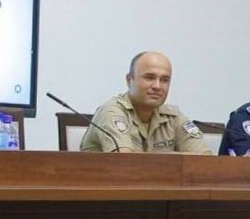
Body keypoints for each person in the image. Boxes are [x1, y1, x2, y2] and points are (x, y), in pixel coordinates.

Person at [80, 51, 212, 154]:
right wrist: (176, 157)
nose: (157, 86)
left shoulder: (174, 117)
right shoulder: (111, 111)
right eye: (149, 78)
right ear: (129, 80)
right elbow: (125, 162)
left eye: (164, 80)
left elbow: (205, 159)